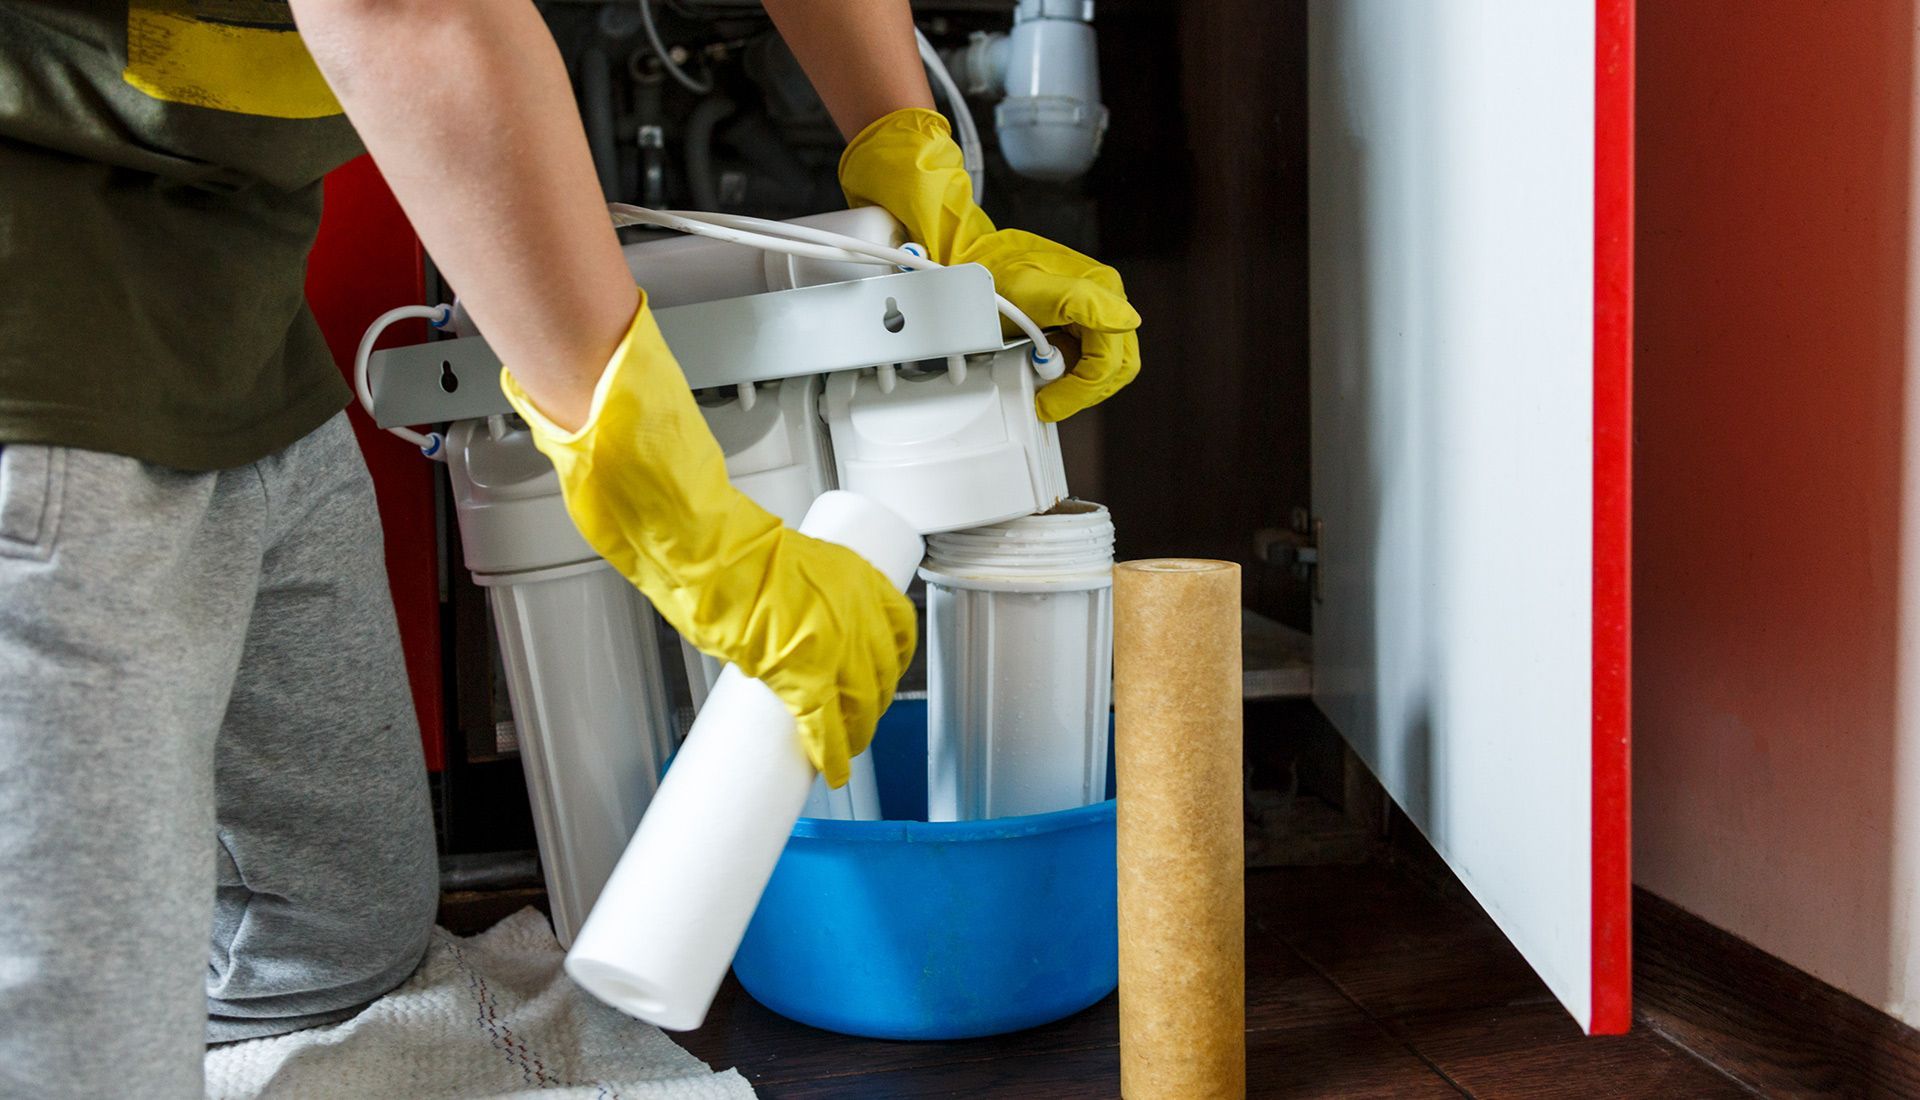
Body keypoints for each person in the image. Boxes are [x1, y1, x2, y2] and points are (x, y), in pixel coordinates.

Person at [0, 1, 1140, 1095]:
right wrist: (665, 502)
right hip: (41, 343)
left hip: (231, 314)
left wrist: (909, 155)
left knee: (328, 947)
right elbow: (405, 13)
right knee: (74, 1037)